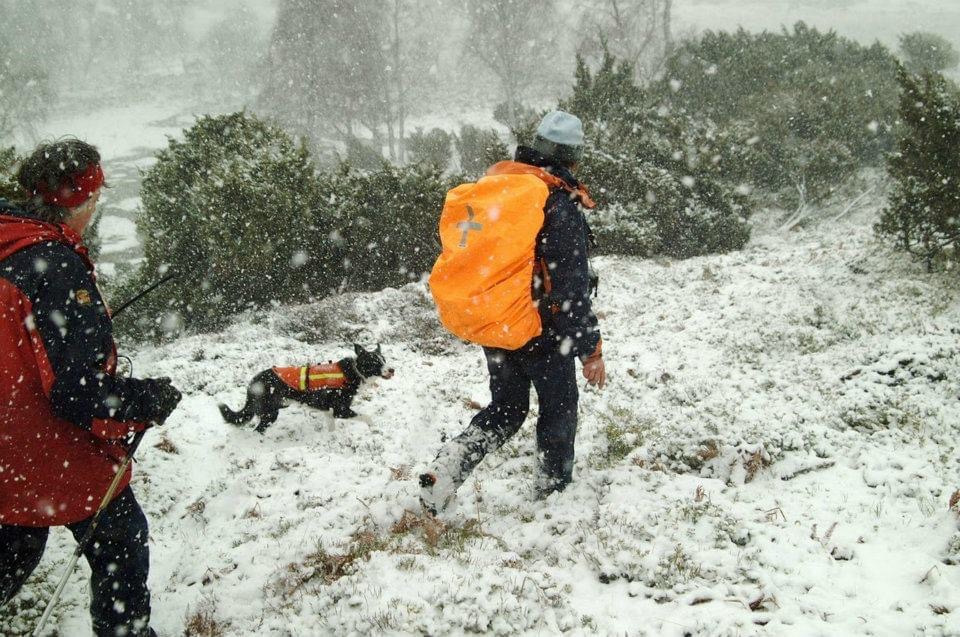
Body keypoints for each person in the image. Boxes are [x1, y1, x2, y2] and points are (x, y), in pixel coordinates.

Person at [0, 139, 181, 636]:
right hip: (45, 441)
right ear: (76, 200)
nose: (97, 206)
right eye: (95, 196)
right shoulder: (53, 265)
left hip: (7, 442)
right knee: (119, 537)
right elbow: (75, 392)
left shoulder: (8, 238)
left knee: (17, 541)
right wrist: (145, 399)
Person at [421, 111, 606, 513]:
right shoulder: (557, 202)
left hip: (500, 322)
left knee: (506, 408)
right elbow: (571, 285)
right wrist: (591, 349)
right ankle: (552, 497)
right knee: (559, 410)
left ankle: (448, 468)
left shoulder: (502, 189)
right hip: (541, 330)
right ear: (573, 158)